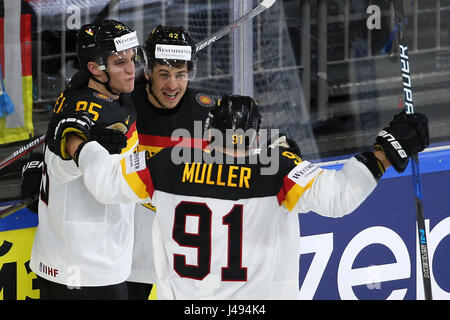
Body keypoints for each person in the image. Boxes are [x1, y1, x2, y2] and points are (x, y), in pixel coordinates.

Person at [62, 94, 429, 299]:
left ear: (208, 133)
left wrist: (83, 144)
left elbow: (105, 183)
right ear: (256, 136)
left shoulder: (167, 163)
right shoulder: (277, 168)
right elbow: (339, 198)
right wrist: (385, 152)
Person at [29, 19, 150, 300]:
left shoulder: (101, 89)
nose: (132, 68)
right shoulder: (85, 107)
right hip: (84, 269)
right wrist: (83, 150)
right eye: (120, 62)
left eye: (133, 58)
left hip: (77, 257)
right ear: (95, 68)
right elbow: (72, 144)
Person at [125, 25, 216, 299]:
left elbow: (249, 151)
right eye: (164, 74)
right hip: (132, 252)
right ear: (148, 72)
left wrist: (279, 145)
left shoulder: (208, 112)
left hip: (185, 253)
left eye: (181, 74)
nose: (173, 85)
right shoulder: (124, 105)